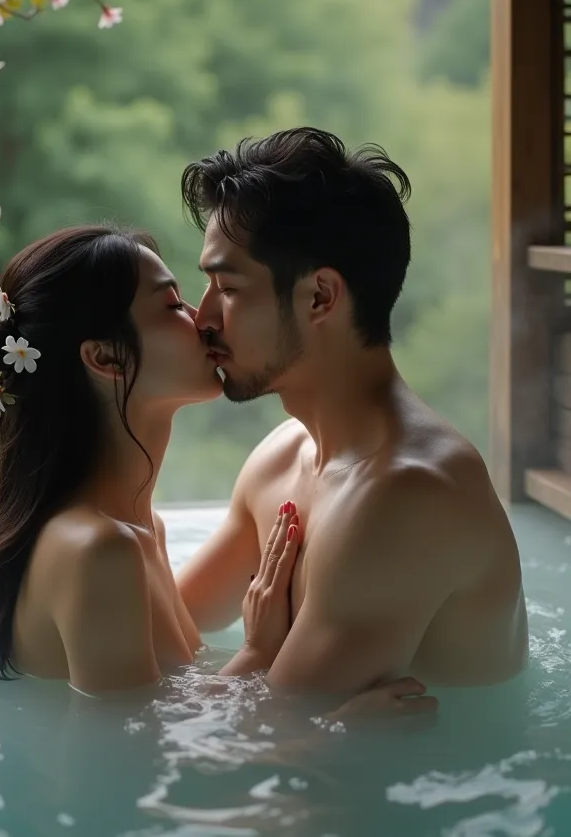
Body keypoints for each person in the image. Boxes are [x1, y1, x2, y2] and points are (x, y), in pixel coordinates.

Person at [0, 223, 433, 716]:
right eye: (172, 305)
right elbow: (132, 773)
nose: (203, 319)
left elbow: (164, 711)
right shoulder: (98, 551)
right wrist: (323, 716)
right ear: (107, 357)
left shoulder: (137, 530)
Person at [176, 126, 529, 694]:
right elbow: (165, 632)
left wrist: (258, 653)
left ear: (320, 297)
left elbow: (248, 749)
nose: (204, 318)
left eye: (230, 288)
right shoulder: (282, 455)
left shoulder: (410, 497)